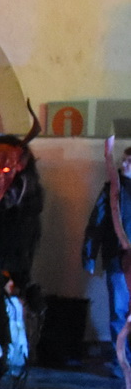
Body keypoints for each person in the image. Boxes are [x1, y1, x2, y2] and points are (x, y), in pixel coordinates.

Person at [82, 139, 131, 370]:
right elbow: (98, 222)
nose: (125, 164)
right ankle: (121, 360)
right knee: (119, 310)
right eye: (124, 160)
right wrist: (89, 256)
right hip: (117, 259)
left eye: (130, 161)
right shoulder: (112, 188)